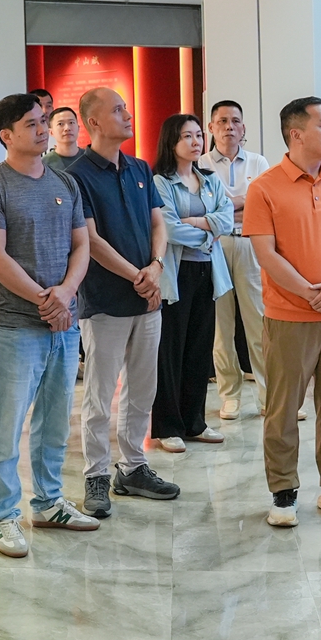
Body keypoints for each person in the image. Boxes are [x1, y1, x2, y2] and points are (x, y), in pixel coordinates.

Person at [0, 93, 98, 558]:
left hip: (63, 324)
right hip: (16, 326)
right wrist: (47, 300)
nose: (43, 129)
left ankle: (48, 503)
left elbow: (82, 245)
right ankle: (5, 515)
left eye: (44, 121)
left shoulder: (64, 181)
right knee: (7, 426)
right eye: (32, 124)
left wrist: (66, 293)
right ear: (7, 135)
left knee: (55, 421)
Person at [243, 98, 321, 528]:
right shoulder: (264, 188)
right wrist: (310, 293)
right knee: (282, 410)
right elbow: (266, 254)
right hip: (289, 317)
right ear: (296, 134)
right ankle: (283, 492)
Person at [66, 87, 177, 517]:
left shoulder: (140, 168)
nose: (127, 114)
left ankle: (133, 467)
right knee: (99, 394)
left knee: (142, 388)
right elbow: (91, 241)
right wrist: (137, 276)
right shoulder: (77, 175)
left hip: (148, 298)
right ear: (93, 122)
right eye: (117, 109)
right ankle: (96, 474)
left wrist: (156, 266)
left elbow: (158, 223)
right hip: (106, 301)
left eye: (126, 107)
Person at [150, 114, 232, 451]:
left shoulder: (210, 179)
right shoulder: (161, 182)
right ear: (172, 141)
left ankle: (195, 421)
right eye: (187, 136)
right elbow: (170, 229)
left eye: (199, 135)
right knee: (171, 350)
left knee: (200, 350)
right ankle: (168, 426)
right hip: (176, 272)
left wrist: (197, 222)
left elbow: (227, 219)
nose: (196, 141)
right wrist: (208, 232)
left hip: (207, 271)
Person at [204, 100, 273, 422]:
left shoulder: (258, 162)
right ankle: (229, 396)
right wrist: (240, 203)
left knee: (258, 323)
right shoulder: (200, 164)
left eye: (235, 121)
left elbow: (264, 204)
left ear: (243, 127)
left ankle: (269, 396)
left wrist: (223, 206)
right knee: (222, 327)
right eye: (222, 121)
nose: (229, 126)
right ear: (211, 127)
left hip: (249, 244)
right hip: (213, 247)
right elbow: (203, 209)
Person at [44, 106, 81, 170]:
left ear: (78, 128)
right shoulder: (44, 164)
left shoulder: (90, 158)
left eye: (71, 122)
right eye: (60, 124)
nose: (67, 128)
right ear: (51, 132)